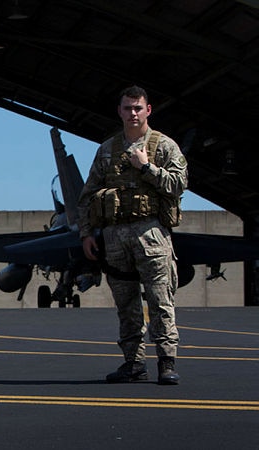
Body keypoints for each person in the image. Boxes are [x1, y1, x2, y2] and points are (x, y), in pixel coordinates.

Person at [77, 85, 187, 385]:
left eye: (138, 107)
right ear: (120, 111)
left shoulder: (164, 146)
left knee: (160, 298)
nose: (133, 113)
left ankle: (166, 362)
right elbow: (87, 196)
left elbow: (178, 184)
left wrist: (147, 167)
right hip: (114, 237)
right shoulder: (107, 150)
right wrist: (86, 233)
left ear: (148, 110)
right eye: (128, 108)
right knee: (125, 304)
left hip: (151, 232)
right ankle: (133, 363)